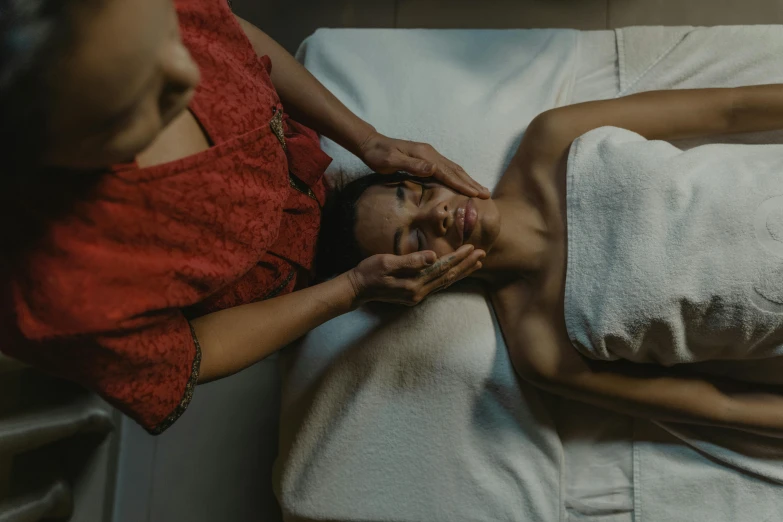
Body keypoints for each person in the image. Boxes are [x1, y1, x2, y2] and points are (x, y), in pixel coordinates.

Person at [0, 0, 489, 434]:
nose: (189, 76)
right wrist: (352, 289)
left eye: (167, 32)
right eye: (140, 101)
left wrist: (366, 139)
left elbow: (230, 33)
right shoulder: (61, 289)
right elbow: (189, 356)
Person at [324, 83, 783, 437]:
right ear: (413, 283)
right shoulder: (541, 345)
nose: (438, 212)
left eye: (419, 192)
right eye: (415, 237)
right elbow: (721, 404)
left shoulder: (555, 138)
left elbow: (732, 109)